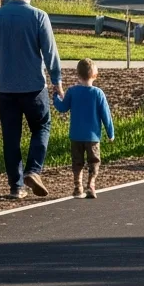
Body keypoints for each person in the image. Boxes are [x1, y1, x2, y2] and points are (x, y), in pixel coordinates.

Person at [0, 0, 63, 199]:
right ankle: (33, 170)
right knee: (42, 126)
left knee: (11, 137)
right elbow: (50, 53)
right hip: (34, 86)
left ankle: (16, 187)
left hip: (5, 88)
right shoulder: (39, 16)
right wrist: (57, 81)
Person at [53, 58, 115, 199]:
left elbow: (62, 107)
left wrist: (55, 96)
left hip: (76, 135)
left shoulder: (72, 91)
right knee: (94, 161)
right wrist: (110, 133)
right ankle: (91, 185)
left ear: (78, 75)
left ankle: (77, 187)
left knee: (77, 162)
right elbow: (106, 115)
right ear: (95, 75)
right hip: (93, 137)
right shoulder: (98, 93)